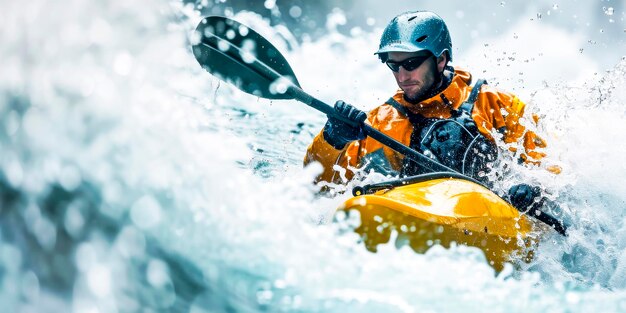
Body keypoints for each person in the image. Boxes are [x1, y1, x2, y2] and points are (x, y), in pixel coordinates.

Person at [303, 11, 554, 208]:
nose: (401, 76)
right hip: (421, 212)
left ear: (441, 59)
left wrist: (533, 189)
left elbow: (550, 170)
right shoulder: (384, 122)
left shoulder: (497, 105)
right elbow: (317, 188)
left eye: (411, 64)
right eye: (393, 65)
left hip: (491, 212)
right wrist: (331, 140)